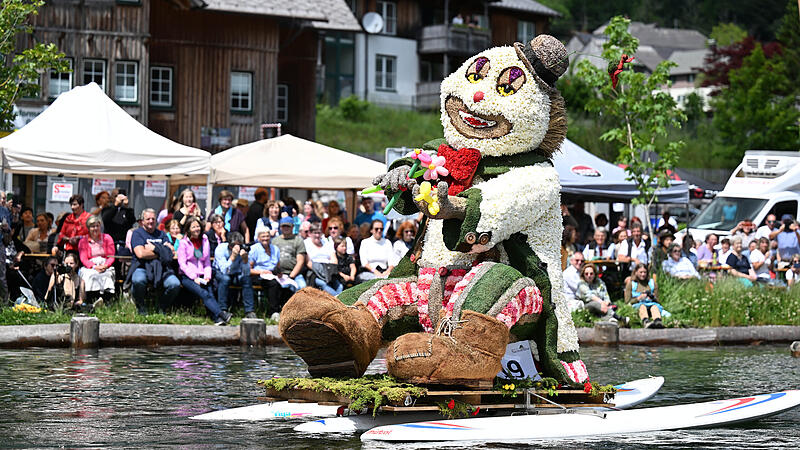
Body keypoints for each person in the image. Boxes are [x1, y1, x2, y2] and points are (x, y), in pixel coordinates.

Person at [177, 217, 230, 325]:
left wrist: (207, 276)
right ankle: (221, 314)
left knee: (210, 293)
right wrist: (194, 277)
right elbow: (182, 264)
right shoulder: (183, 243)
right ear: (188, 229)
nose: (196, 229)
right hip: (188, 276)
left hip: (203, 274)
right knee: (204, 294)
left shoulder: (205, 240)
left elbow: (206, 262)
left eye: (198, 226)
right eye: (193, 227)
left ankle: (217, 319)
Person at [129, 208, 181, 314]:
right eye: (148, 219)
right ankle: (141, 305)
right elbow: (141, 254)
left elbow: (170, 253)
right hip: (141, 266)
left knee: (175, 284)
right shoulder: (137, 234)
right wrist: (161, 251)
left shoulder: (162, 234)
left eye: (153, 219)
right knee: (138, 280)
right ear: (142, 221)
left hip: (162, 268)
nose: (151, 221)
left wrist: (154, 248)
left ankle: (162, 306)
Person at [214, 231, 256, 319]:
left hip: (236, 273)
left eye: (239, 245)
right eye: (234, 245)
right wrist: (232, 257)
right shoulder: (221, 249)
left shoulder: (243, 249)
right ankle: (223, 310)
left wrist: (245, 260)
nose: (237, 247)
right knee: (225, 279)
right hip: (220, 272)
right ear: (229, 244)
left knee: (246, 279)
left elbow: (246, 272)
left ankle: (249, 311)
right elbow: (224, 270)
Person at [77, 215, 116, 303]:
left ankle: (106, 300)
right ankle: (91, 299)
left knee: (107, 275)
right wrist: (94, 267)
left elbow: (111, 255)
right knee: (90, 275)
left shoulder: (107, 238)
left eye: (97, 226)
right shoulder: (83, 241)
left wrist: (105, 265)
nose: (95, 228)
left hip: (104, 264)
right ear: (88, 228)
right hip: (90, 266)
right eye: (92, 226)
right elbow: (83, 259)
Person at [249, 229, 284, 317]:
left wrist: (279, 272)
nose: (265, 239)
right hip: (258, 274)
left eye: (267, 236)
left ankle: (284, 310)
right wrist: (262, 272)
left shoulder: (275, 249)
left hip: (272, 274)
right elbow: (249, 269)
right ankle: (273, 311)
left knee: (286, 284)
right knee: (273, 284)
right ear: (258, 238)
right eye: (263, 237)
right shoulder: (254, 249)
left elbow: (277, 265)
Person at [305, 223, 342, 296]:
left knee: (340, 286)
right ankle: (339, 302)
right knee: (323, 285)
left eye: (319, 233)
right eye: (315, 233)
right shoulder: (306, 243)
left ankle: (338, 302)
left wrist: (329, 271)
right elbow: (308, 263)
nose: (317, 235)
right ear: (310, 233)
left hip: (329, 270)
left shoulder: (326, 242)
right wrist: (321, 272)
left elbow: (334, 259)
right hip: (315, 272)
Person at [624, 263, 665, 329]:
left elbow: (658, 300)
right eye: (641, 272)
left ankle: (658, 321)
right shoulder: (631, 284)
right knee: (642, 307)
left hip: (651, 304)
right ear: (636, 272)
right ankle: (645, 321)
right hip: (638, 306)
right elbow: (627, 301)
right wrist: (638, 298)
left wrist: (653, 297)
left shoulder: (652, 283)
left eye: (645, 272)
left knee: (654, 307)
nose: (643, 274)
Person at [272, 216, 307, 292]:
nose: (286, 228)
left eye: (288, 226)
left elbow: (300, 261)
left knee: (302, 288)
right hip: (278, 274)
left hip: (294, 274)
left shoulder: (298, 240)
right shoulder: (274, 241)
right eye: (283, 226)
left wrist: (291, 276)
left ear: (292, 227)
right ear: (280, 227)